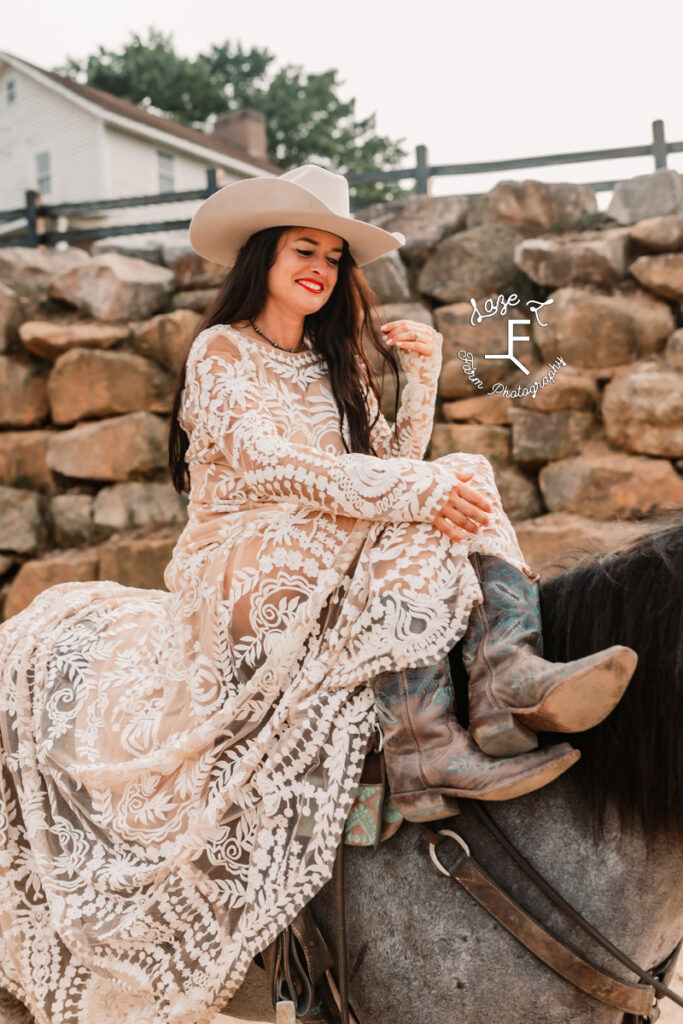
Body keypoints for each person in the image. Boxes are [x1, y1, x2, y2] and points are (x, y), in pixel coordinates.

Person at [0, 164, 637, 1024]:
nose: (322, 269)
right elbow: (271, 466)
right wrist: (407, 494)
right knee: (427, 499)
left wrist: (421, 382)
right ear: (263, 254)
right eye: (305, 249)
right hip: (240, 563)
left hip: (324, 542)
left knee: (462, 473)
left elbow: (394, 476)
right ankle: (452, 715)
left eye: (335, 258)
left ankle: (498, 680)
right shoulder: (219, 349)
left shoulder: (335, 363)